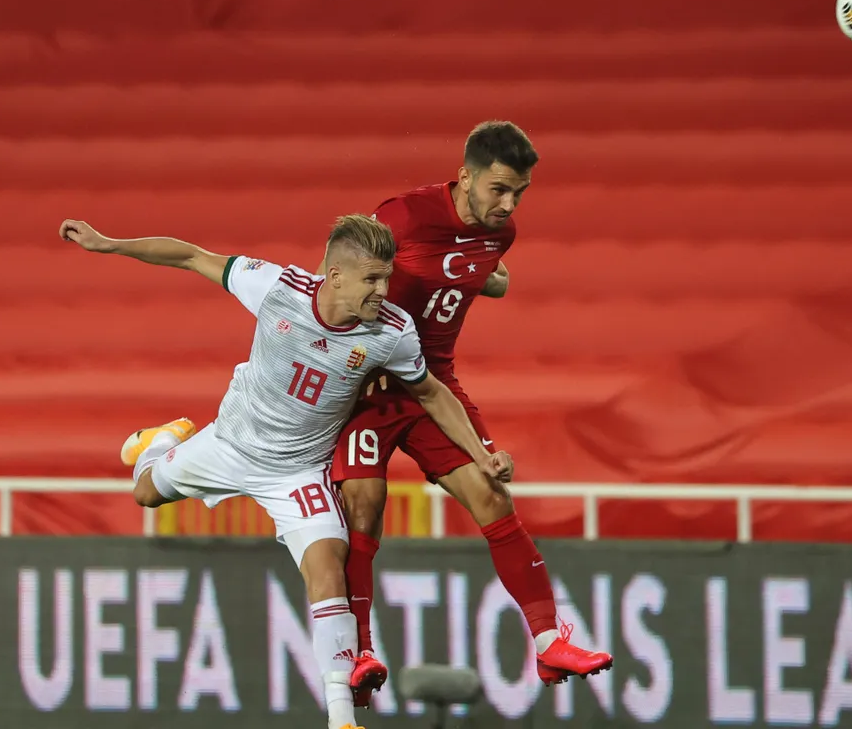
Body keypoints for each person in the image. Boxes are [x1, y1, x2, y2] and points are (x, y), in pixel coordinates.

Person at [59, 214, 513, 729]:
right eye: (372, 279)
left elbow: (432, 392)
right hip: (229, 444)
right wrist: (109, 244)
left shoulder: (392, 332)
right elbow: (191, 255)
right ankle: (159, 442)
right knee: (144, 493)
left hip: (297, 472)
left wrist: (482, 454)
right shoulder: (276, 288)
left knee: (328, 569)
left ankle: (341, 718)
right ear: (335, 275)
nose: (383, 291)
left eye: (386, 278)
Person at [328, 121, 613, 707]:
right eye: (498, 189)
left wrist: (491, 280)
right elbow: (343, 278)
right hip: (368, 387)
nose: (508, 205)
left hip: (432, 384)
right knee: (364, 505)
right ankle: (358, 652)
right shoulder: (405, 216)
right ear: (465, 177)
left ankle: (548, 642)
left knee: (492, 492)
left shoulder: (499, 234)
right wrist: (349, 351)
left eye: (519, 193)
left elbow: (473, 271)